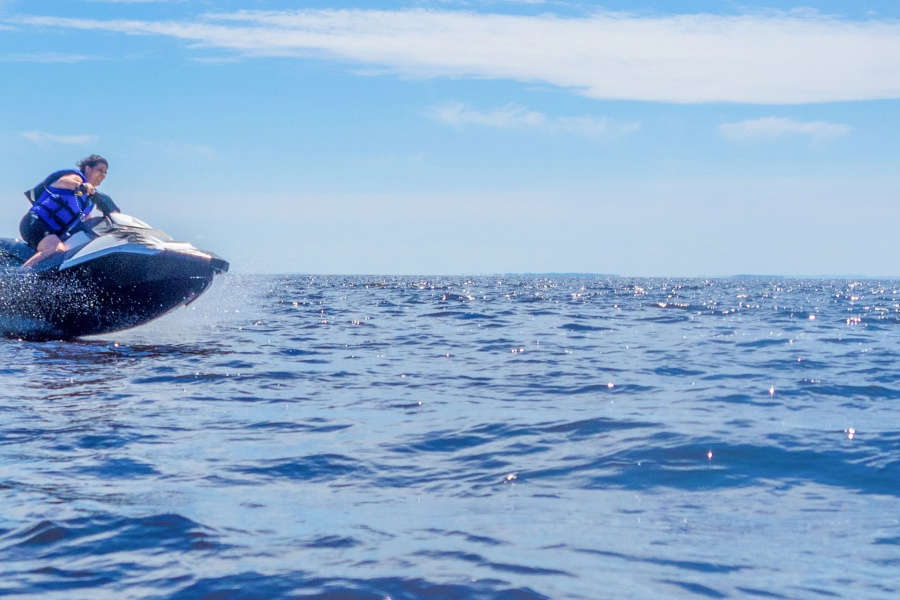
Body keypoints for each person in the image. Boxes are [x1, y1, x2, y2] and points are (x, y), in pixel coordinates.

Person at [19, 155, 118, 268]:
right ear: (88, 169)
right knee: (56, 249)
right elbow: (63, 182)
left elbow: (86, 224)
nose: (103, 175)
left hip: (53, 234)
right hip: (36, 223)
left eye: (105, 172)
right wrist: (81, 186)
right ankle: (19, 278)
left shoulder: (89, 202)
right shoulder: (76, 178)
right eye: (100, 170)